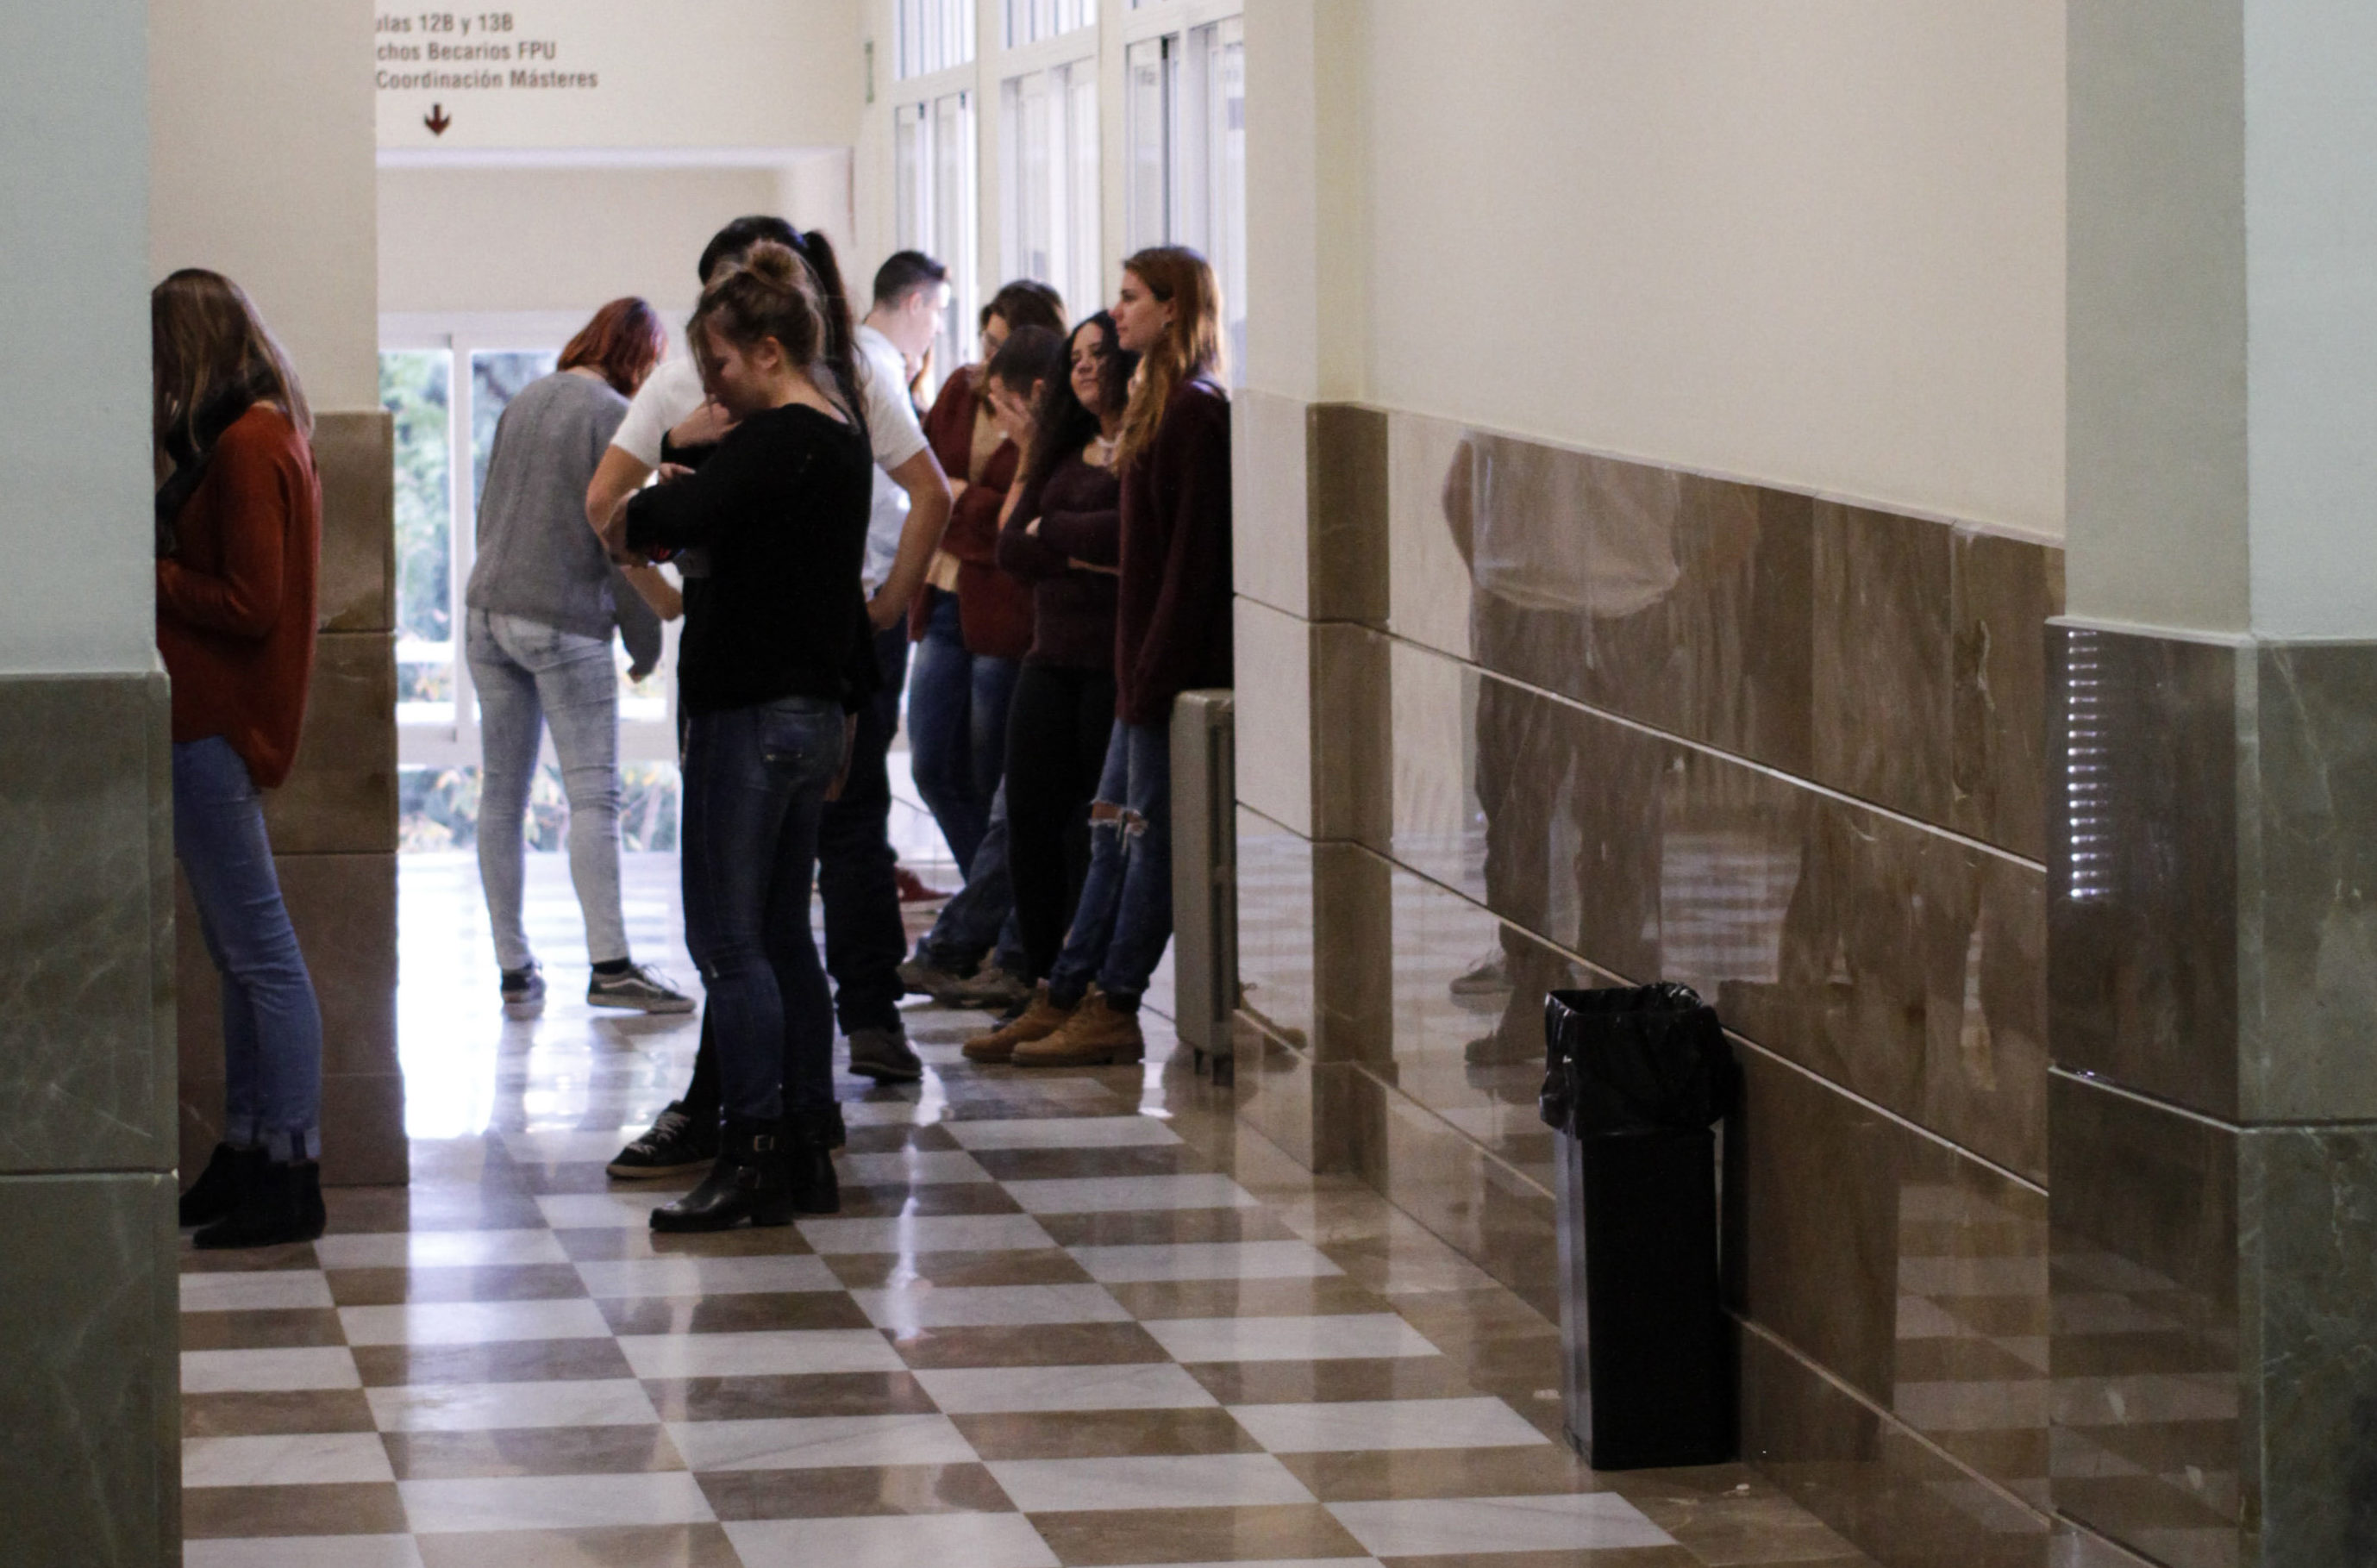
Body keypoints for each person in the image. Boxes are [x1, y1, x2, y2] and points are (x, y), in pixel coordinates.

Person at [593, 224, 952, 1180]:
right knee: (789, 930)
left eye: (719, 363)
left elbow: (634, 520)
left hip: (744, 710)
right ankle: (805, 1138)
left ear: (767, 350)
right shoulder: (841, 435)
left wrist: (678, 451)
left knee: (729, 942)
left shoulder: (767, 441)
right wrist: (849, 697)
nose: (711, 383)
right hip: (811, 710)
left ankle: (749, 1148)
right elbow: (836, 590)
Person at [966, 250, 1233, 1067]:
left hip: (1159, 662)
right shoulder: (1161, 405)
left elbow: (1180, 559)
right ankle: (1066, 989)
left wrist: (1150, 664)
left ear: (1174, 308)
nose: (1116, 315)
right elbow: (1020, 542)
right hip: (1132, 661)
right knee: (1109, 833)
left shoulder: (1191, 410)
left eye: (1130, 299)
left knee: (1140, 840)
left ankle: (1113, 999)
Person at [155, 269, 330, 1249]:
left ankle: (290, 1165)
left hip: (215, 724)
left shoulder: (250, 442)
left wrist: (153, 575)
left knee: (261, 956)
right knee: (242, 955)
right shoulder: (269, 432)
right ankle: (257, 1146)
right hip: (222, 723)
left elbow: (249, 601)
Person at [465, 297, 694, 1020]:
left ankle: (512, 965)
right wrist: (647, 638)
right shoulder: (610, 414)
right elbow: (616, 537)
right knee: (593, 796)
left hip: (486, 611)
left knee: (501, 792)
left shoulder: (527, 397)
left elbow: (487, 509)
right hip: (560, 619)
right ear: (640, 356)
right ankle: (612, 965)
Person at [960, 311, 1136, 1059]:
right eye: (1077, 357)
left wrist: (1056, 537)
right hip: (1049, 655)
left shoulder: (1146, 447)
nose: (1085, 367)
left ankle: (1084, 989)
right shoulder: (1061, 449)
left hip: (1109, 663)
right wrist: (1076, 547)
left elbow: (1129, 540)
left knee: (1089, 837)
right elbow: (1009, 546)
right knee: (1028, 820)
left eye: (1100, 354)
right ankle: (1038, 983)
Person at [902, 284, 1071, 1009]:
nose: (988, 357)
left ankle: (995, 932)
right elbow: (927, 490)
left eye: (1006, 344)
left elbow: (1006, 525)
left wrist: (967, 508)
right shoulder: (959, 392)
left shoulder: (1052, 418)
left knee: (996, 772)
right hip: (941, 595)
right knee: (934, 761)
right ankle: (994, 917)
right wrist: (970, 508)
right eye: (987, 338)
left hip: (1005, 612)